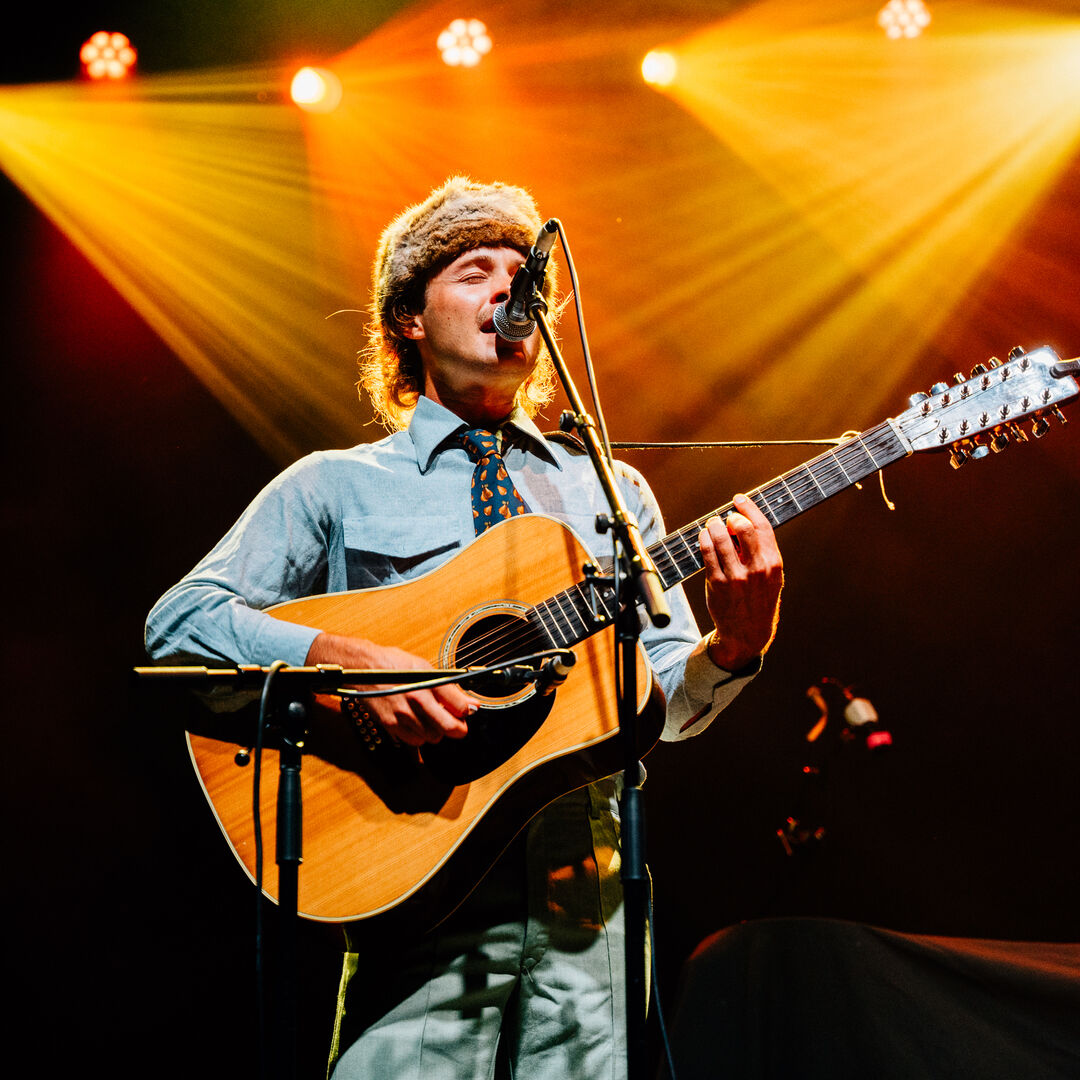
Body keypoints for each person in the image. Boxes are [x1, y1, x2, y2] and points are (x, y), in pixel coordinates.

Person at [145, 176, 784, 1079]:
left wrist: (736, 646)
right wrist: (341, 661)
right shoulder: (335, 484)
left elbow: (666, 708)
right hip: (416, 889)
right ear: (408, 316)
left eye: (524, 277)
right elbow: (180, 622)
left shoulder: (609, 489)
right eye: (475, 271)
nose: (508, 290)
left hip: (587, 913)